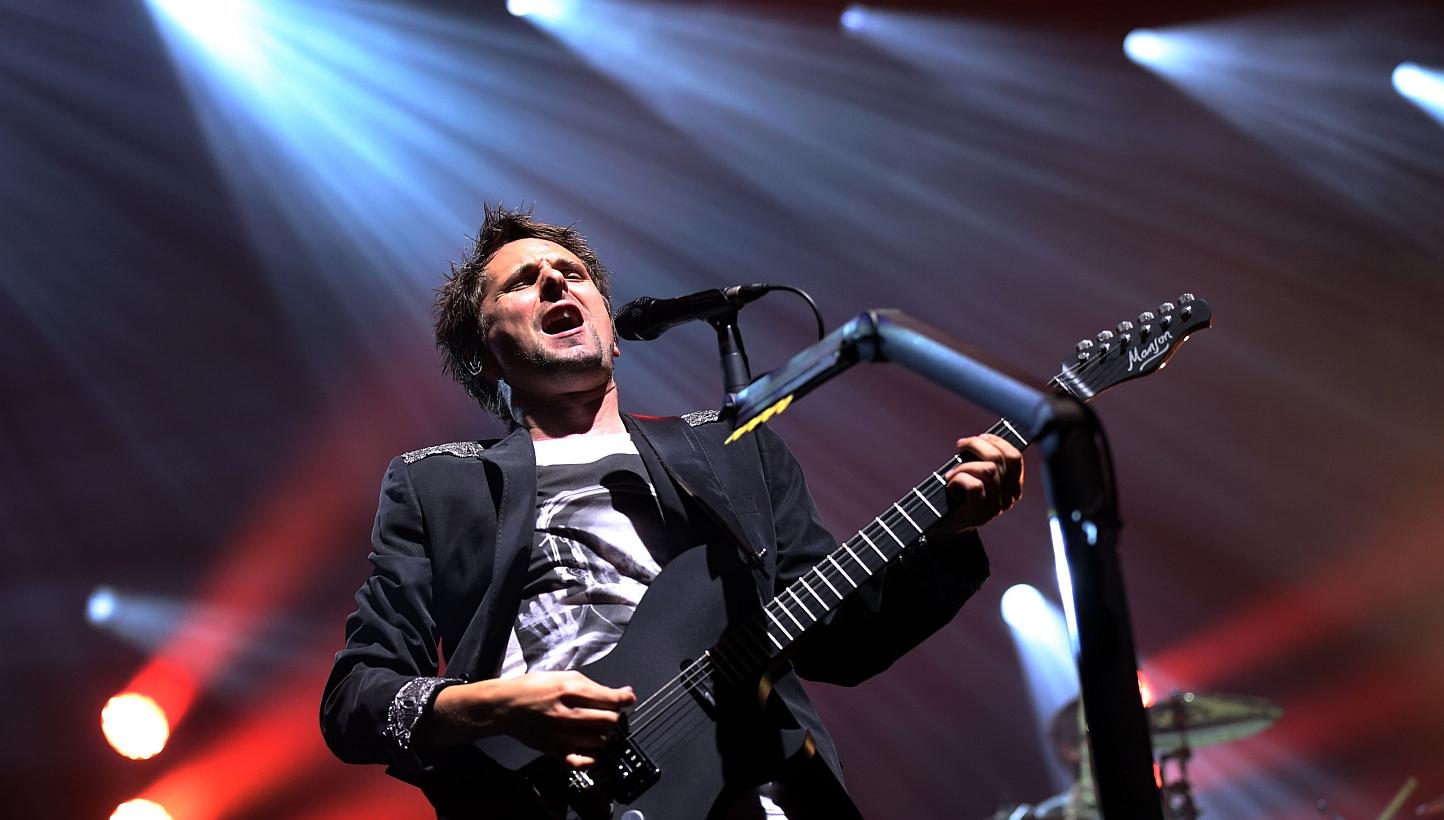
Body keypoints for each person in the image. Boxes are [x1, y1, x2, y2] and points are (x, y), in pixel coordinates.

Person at [320, 205, 1025, 819]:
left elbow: (842, 642)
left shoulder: (732, 451)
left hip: (764, 792)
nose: (556, 282)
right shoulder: (439, 486)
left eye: (572, 273)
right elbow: (356, 697)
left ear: (613, 331)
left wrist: (949, 537)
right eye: (522, 281)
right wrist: (493, 706)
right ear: (486, 358)